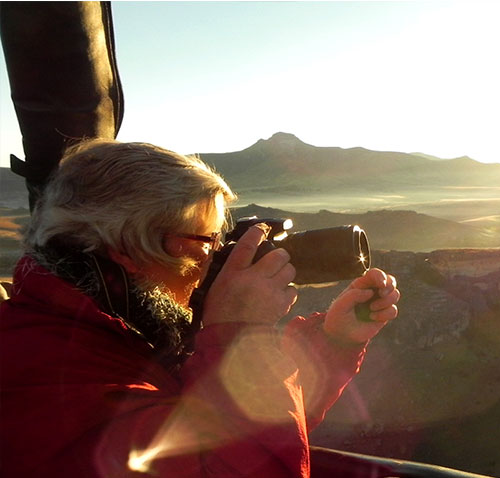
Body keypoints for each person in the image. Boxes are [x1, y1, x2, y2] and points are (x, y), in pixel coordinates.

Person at [0, 139, 401, 477]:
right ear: (130, 248)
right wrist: (239, 333)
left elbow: (236, 429)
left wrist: (331, 341)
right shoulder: (50, 379)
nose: (213, 260)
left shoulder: (112, 334)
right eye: (205, 242)